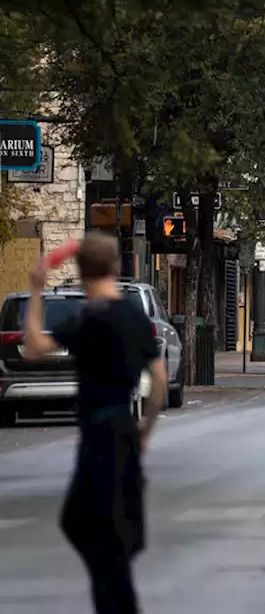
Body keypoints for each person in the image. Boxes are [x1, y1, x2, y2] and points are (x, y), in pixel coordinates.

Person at [22, 231, 167, 614]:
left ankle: (116, 603)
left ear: (82, 271)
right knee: (109, 527)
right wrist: (146, 431)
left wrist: (37, 289)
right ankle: (115, 599)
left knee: (90, 525)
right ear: (115, 266)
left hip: (98, 433)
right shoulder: (135, 316)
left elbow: (35, 347)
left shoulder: (88, 317)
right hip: (124, 426)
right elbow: (161, 381)